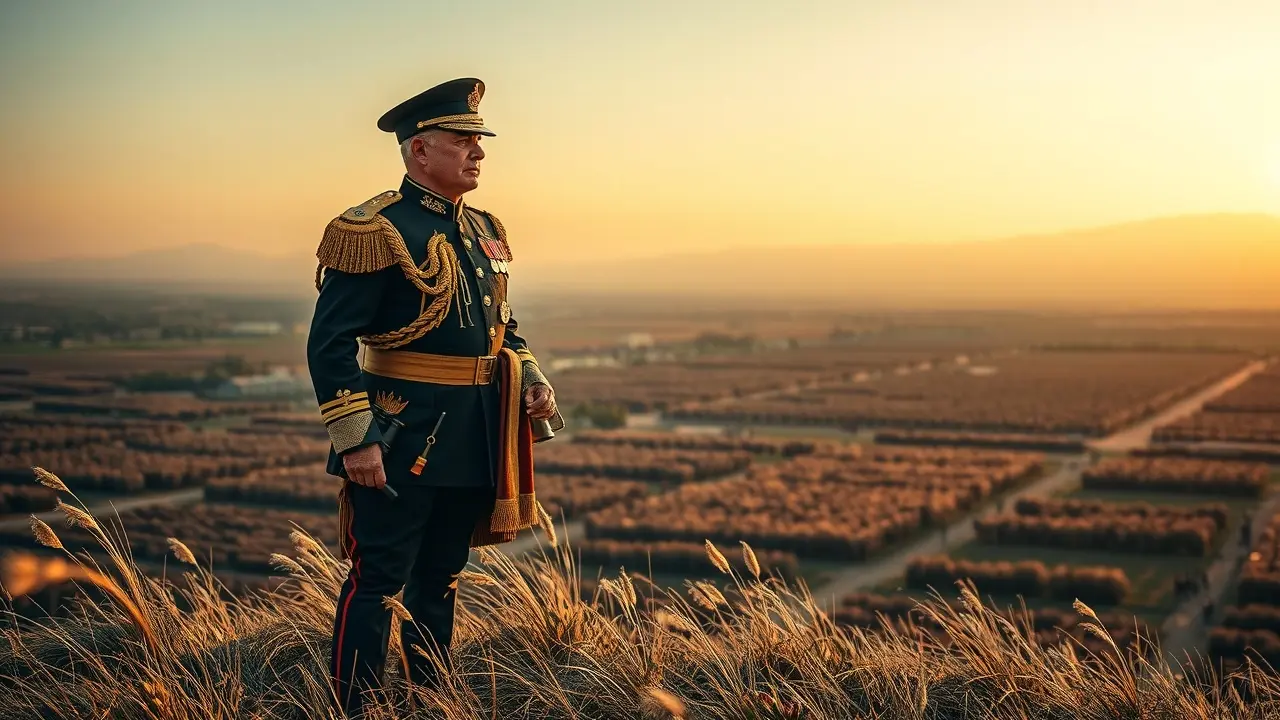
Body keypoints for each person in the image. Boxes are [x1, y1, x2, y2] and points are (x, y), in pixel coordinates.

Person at [306, 77, 563, 716]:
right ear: (420, 150)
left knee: (442, 579)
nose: (478, 152)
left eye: (479, 140)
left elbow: (505, 324)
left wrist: (528, 375)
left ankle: (429, 702)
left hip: (472, 436)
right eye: (463, 140)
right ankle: (355, 708)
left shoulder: (483, 228)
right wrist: (358, 440)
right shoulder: (372, 229)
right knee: (379, 584)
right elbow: (329, 345)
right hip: (398, 440)